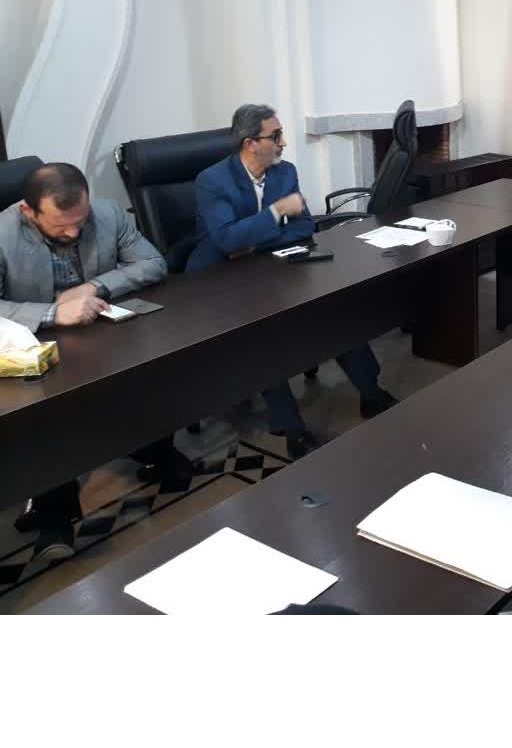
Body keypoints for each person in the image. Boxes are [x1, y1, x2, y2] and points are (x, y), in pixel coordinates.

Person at [187, 104, 397, 458]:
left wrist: (254, 239)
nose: (283, 143)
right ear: (251, 143)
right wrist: (277, 212)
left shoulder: (285, 173)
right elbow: (225, 241)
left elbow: (304, 228)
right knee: (263, 336)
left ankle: (371, 392)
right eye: (276, 136)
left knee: (332, 309)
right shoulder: (212, 181)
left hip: (271, 269)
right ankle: (292, 429)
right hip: (218, 281)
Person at [0, 162, 180, 561]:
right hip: (36, 343)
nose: (74, 233)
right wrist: (53, 313)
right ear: (28, 212)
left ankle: (158, 451)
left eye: (79, 222)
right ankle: (56, 518)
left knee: (154, 368)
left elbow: (153, 263)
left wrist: (95, 286)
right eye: (61, 226)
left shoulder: (106, 214)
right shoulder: (1, 234)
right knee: (49, 415)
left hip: (102, 333)